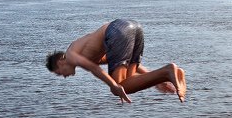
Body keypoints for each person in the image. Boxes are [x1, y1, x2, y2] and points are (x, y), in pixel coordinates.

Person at [46, 19, 187, 103]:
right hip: (134, 27)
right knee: (128, 81)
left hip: (116, 30)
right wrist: (157, 83)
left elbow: (94, 69)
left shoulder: (70, 54)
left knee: (119, 86)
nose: (64, 76)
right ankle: (170, 73)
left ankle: (168, 71)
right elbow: (124, 59)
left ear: (60, 62)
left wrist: (113, 86)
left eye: (59, 73)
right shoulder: (86, 53)